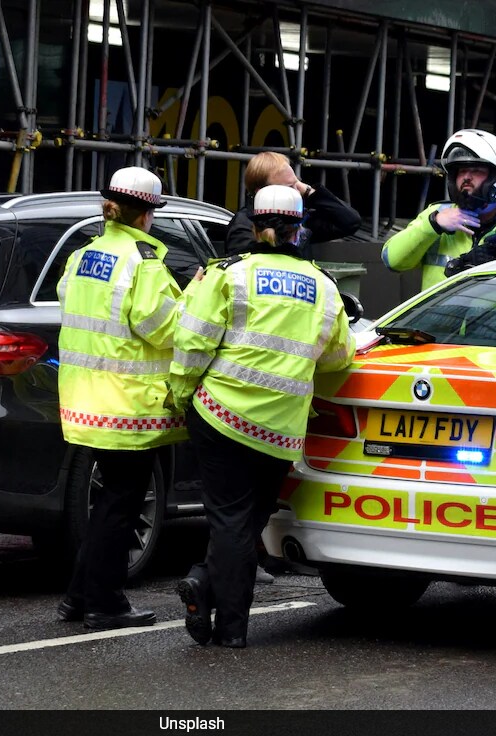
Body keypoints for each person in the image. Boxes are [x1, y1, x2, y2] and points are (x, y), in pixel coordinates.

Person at [169, 184, 355, 648]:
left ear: (253, 227)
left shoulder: (227, 274)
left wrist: (181, 396)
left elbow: (192, 342)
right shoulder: (323, 285)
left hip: (221, 415)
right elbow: (339, 358)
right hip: (280, 430)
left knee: (229, 521)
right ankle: (210, 596)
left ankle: (228, 624)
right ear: (299, 230)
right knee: (248, 522)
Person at [55, 166, 186, 631]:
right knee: (121, 505)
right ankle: (105, 603)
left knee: (112, 500)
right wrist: (191, 303)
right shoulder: (143, 263)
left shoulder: (82, 255)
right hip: (128, 404)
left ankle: (79, 597)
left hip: (85, 400)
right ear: (146, 214)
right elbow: (163, 328)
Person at [381, 128, 496, 293]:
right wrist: (433, 225)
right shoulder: (436, 214)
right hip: (440, 317)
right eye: (462, 171)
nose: (466, 177)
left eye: (476, 170)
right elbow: (392, 260)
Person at [224, 151, 361, 259]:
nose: (297, 192)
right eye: (289, 187)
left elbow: (350, 222)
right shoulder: (243, 225)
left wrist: (308, 191)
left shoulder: (296, 217)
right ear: (262, 192)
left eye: (297, 184)